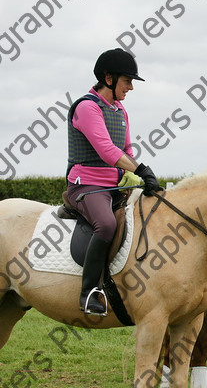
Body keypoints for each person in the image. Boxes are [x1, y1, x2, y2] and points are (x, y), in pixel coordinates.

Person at [66, 48, 161, 315]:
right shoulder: (87, 107)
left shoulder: (120, 110)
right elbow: (107, 150)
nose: (131, 87)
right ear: (108, 78)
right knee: (106, 225)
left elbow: (126, 149)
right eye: (127, 81)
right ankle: (89, 293)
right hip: (86, 186)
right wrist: (142, 169)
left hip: (115, 185)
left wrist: (139, 178)